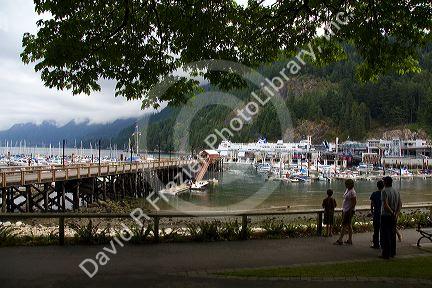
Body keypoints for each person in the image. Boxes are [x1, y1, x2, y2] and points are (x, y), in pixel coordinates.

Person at [380, 176, 402, 259]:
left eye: (383, 181)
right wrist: (397, 213)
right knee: (392, 234)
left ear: (385, 182)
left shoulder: (384, 191)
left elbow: (385, 205)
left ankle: (386, 254)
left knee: (386, 235)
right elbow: (400, 203)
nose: (383, 183)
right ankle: (393, 252)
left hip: (386, 216)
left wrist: (392, 213)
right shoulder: (396, 191)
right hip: (394, 216)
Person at [334, 179, 357, 245]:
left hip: (348, 211)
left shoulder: (352, 192)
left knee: (344, 225)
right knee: (349, 225)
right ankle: (350, 240)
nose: (345, 185)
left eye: (346, 184)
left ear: (350, 184)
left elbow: (354, 202)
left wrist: (350, 210)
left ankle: (340, 240)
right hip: (345, 209)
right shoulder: (348, 190)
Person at [370, 180, 384, 249]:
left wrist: (372, 211)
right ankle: (382, 243)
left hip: (376, 213)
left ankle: (376, 244)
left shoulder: (374, 194)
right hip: (384, 214)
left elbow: (372, 204)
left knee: (376, 230)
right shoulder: (385, 193)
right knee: (383, 229)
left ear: (377, 186)